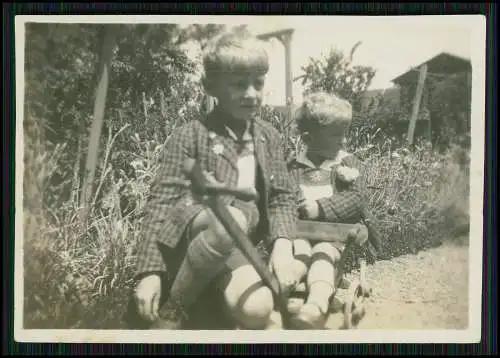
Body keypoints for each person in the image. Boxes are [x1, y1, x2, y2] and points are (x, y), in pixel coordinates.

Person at [128, 29, 300, 330]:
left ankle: (212, 298)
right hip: (197, 235)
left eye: (257, 83)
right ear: (212, 88)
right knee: (228, 217)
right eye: (238, 84)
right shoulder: (191, 136)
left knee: (259, 309)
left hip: (240, 245)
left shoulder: (269, 137)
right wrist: (149, 272)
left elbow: (283, 197)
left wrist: (283, 245)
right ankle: (173, 312)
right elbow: (160, 204)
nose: (251, 94)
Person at [286, 91, 381, 329]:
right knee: (297, 254)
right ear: (308, 139)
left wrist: (319, 208)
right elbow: (284, 193)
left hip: (333, 234)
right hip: (300, 231)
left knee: (323, 256)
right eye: (336, 136)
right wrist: (295, 205)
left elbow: (356, 198)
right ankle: (285, 286)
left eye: (344, 134)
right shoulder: (294, 165)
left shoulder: (346, 163)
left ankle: (315, 305)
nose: (343, 141)